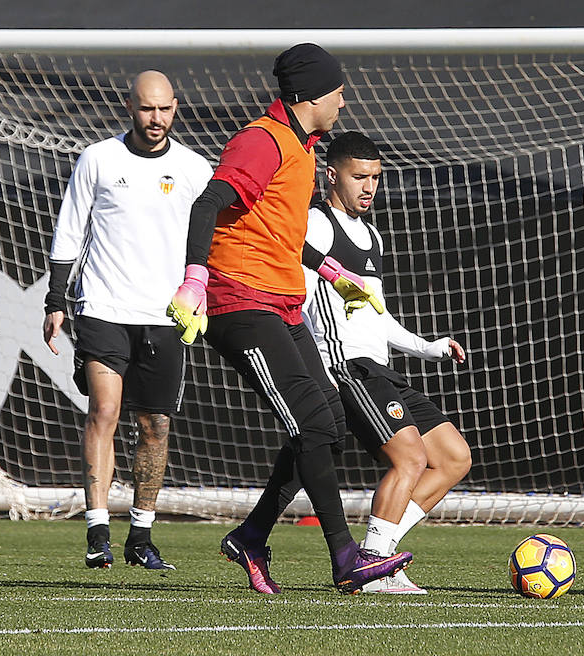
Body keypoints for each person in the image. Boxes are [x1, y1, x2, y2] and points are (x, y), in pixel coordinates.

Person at [167, 43, 411, 595]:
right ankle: (347, 558)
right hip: (240, 304)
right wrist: (194, 280)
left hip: (281, 305)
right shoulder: (263, 141)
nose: (344, 103)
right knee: (312, 424)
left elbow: (278, 233)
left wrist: (331, 271)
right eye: (340, 92)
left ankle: (252, 537)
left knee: (326, 425)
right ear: (313, 94)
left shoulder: (302, 149)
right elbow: (207, 206)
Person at [43, 71, 214, 570]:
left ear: (175, 107)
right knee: (105, 411)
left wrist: (204, 293)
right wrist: (56, 300)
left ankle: (141, 536)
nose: (155, 118)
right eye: (146, 109)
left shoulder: (194, 169)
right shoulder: (98, 158)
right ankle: (98, 532)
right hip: (102, 306)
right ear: (129, 107)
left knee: (155, 424)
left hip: (164, 315)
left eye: (163, 109)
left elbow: (214, 240)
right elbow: (69, 230)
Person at [302, 131, 472, 594]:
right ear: (331, 175)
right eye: (360, 177)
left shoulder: (372, 234)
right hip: (346, 367)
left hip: (380, 367)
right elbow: (295, 296)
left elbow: (380, 318)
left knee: (454, 458)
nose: (369, 187)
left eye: (376, 177)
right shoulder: (316, 226)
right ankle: (375, 562)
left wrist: (428, 347)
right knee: (410, 458)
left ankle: (378, 554)